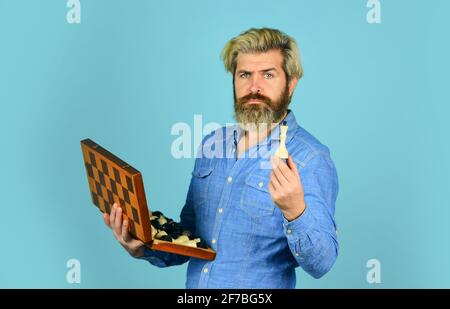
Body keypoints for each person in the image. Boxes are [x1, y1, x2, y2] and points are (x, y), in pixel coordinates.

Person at [103, 28, 339, 288]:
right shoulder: (212, 143)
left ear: (291, 84)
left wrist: (296, 211)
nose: (254, 87)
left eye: (268, 75)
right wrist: (143, 245)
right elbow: (191, 238)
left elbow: (322, 263)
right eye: (244, 75)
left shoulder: (312, 158)